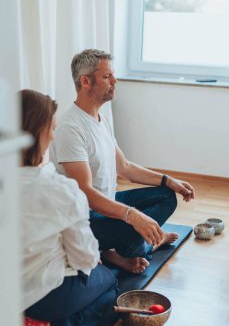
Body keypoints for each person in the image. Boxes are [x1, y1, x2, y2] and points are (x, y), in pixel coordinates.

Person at [50, 49, 195, 274]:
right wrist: (132, 215)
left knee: (166, 195)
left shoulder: (101, 119)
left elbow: (124, 167)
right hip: (85, 218)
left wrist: (169, 180)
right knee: (132, 236)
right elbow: (86, 194)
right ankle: (122, 250)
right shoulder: (70, 128)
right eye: (107, 77)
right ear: (86, 81)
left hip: (108, 202)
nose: (115, 81)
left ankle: (134, 244)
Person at [20, 89, 118, 326]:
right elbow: (84, 259)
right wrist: (94, 258)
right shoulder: (61, 189)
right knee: (109, 282)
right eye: (51, 129)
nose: (54, 135)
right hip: (40, 298)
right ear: (39, 134)